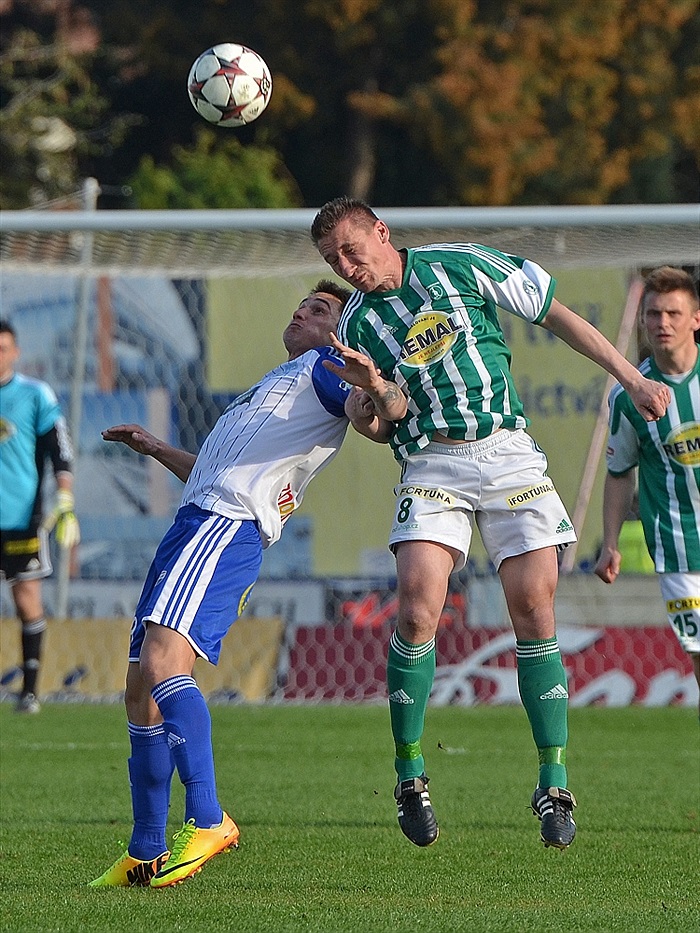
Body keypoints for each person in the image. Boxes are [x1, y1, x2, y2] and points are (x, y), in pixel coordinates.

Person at [311, 197, 671, 851]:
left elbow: (556, 315)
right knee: (419, 608)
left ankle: (553, 781)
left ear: (381, 233)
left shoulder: (460, 265)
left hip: (506, 451)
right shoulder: (358, 325)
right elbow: (379, 419)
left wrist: (630, 379)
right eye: (332, 259)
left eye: (350, 250)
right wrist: (373, 392)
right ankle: (410, 773)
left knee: (534, 607)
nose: (345, 266)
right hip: (431, 461)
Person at [89, 281, 405, 890]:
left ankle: (207, 817)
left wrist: (374, 386)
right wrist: (158, 450)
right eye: (302, 303)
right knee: (139, 688)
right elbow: (214, 469)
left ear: (345, 331)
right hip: (198, 518)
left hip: (222, 526)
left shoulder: (328, 367)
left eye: (320, 310)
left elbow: (379, 421)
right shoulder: (276, 383)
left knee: (160, 662)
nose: (301, 311)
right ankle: (145, 850)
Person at [595, 266, 700, 700]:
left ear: (696, 318)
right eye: (654, 314)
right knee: (698, 653)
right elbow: (620, 474)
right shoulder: (628, 396)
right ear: (642, 320)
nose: (663, 323)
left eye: (674, 313)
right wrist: (610, 542)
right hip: (677, 547)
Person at [0, 320, 80, 714]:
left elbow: (58, 451)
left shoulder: (34, 395)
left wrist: (64, 500)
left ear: (15, 352)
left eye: (3, 348)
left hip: (21, 517)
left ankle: (29, 691)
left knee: (26, 599)